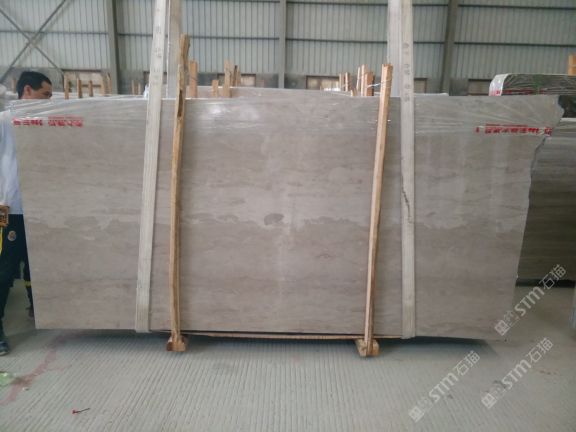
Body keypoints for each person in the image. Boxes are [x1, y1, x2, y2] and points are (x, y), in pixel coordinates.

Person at [0, 71, 52, 356]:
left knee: (37, 263)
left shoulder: (42, 124)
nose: (48, 101)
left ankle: (38, 307)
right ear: (27, 91)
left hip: (39, 209)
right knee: (6, 268)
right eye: (45, 95)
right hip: (10, 209)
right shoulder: (5, 122)